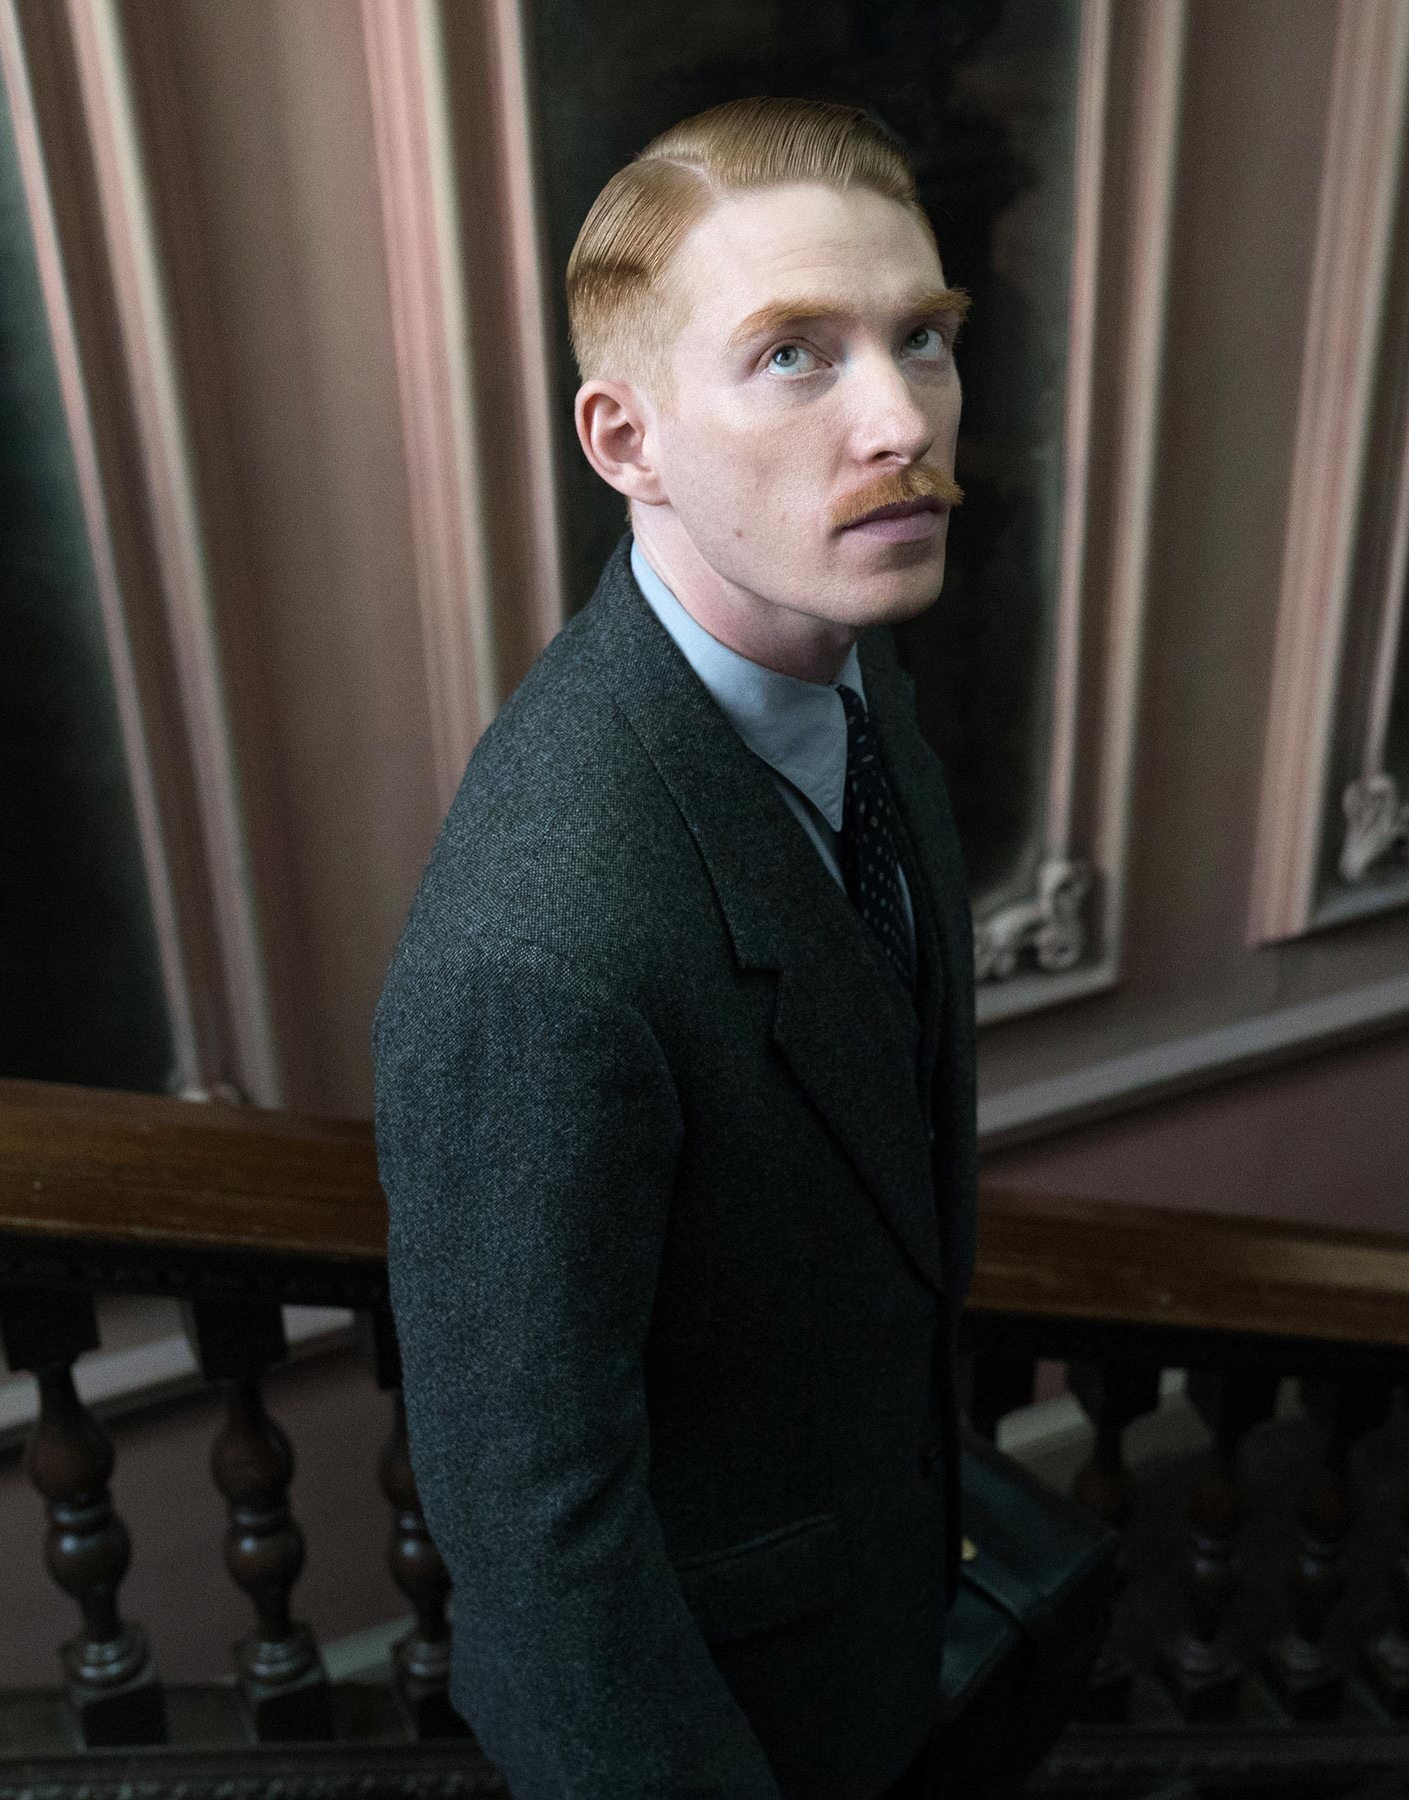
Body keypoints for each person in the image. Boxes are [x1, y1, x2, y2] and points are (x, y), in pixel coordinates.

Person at [373, 96, 977, 1800]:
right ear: (626, 438)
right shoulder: (540, 952)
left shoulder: (851, 668)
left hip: (879, 1618)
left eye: (923, 339)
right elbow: (541, 1544)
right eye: (794, 356)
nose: (901, 422)